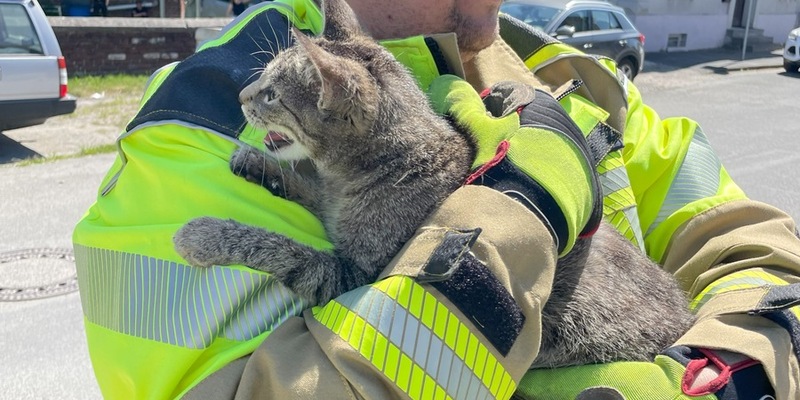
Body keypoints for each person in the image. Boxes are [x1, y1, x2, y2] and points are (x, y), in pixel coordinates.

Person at [72, 0, 800, 399]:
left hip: (643, 331)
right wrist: (518, 211)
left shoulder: (566, 73)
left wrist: (733, 374)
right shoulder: (189, 129)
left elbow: (770, 261)